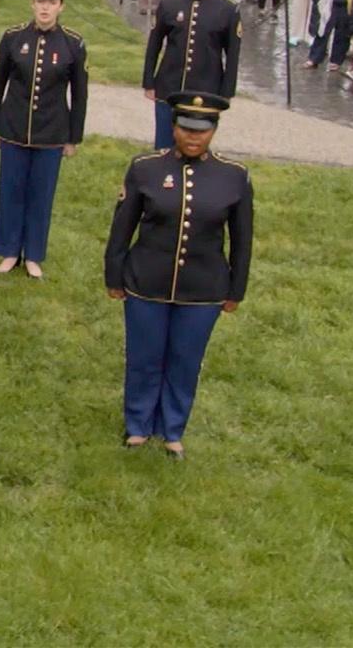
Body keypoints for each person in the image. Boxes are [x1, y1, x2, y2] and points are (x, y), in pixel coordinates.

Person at [104, 92, 253, 460]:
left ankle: (172, 429)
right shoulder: (145, 169)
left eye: (202, 131)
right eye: (186, 128)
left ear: (213, 131)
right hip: (146, 282)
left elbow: (242, 239)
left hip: (203, 289)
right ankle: (138, 425)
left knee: (185, 360)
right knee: (144, 356)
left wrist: (237, 289)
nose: (193, 137)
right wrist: (114, 274)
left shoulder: (233, 177)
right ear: (173, 127)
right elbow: (122, 228)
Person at [0, 0, 88, 280]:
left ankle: (33, 254)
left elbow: (80, 95)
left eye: (52, 2)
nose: (45, 8)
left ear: (61, 6)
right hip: (14, 128)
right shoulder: (13, 38)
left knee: (41, 195)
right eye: (41, 1)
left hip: (51, 132)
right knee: (11, 191)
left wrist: (73, 137)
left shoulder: (73, 44)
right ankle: (9, 250)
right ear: (32, 4)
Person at [142, 0, 241, 150]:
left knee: (195, 145)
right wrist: (149, 82)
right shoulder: (170, 5)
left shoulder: (227, 10)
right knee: (164, 146)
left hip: (205, 90)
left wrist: (226, 92)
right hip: (169, 86)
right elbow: (154, 44)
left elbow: (232, 55)